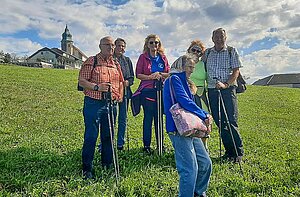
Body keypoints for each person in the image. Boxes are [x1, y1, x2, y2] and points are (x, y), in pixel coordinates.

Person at [163, 54, 212, 197]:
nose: (192, 70)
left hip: (190, 128)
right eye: (189, 67)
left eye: (193, 67)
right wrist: (204, 114)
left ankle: (198, 192)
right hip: (178, 129)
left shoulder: (184, 81)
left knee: (205, 163)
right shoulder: (174, 79)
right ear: (181, 66)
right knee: (189, 169)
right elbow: (184, 101)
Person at [78, 36, 124, 179]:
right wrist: (97, 87)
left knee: (108, 136)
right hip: (94, 103)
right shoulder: (92, 61)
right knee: (91, 136)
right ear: (100, 46)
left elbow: (121, 82)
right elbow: (82, 81)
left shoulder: (116, 63)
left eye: (112, 45)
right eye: (107, 45)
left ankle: (107, 164)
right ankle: (87, 168)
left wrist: (120, 96)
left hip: (111, 104)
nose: (110, 48)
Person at [203, 27, 244, 162]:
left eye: (222, 37)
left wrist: (225, 84)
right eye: (216, 37)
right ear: (212, 38)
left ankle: (238, 153)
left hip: (227, 90)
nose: (219, 39)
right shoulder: (208, 53)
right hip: (212, 90)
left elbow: (236, 71)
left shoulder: (232, 51)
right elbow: (196, 63)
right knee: (220, 122)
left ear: (225, 38)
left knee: (231, 121)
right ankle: (228, 152)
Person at [131, 34, 170, 154]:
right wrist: (150, 77)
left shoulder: (163, 58)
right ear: (147, 45)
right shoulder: (143, 57)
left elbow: (168, 73)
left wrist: (160, 74)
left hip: (160, 90)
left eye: (156, 42)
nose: (154, 45)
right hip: (147, 90)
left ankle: (160, 144)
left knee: (159, 118)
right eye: (151, 42)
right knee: (148, 118)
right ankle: (146, 145)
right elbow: (138, 74)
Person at [188, 40, 210, 152]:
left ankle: (204, 147)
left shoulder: (203, 65)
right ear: (189, 50)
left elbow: (208, 79)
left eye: (199, 51)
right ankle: (191, 148)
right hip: (188, 94)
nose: (196, 52)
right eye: (194, 49)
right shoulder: (185, 62)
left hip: (201, 95)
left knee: (204, 119)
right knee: (190, 121)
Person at [114, 38, 134, 150]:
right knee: (111, 119)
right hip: (113, 93)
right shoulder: (110, 59)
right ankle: (107, 142)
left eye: (123, 46)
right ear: (114, 46)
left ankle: (120, 143)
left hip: (125, 93)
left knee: (123, 118)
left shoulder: (127, 60)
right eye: (119, 45)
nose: (121, 48)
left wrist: (128, 82)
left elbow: (131, 77)